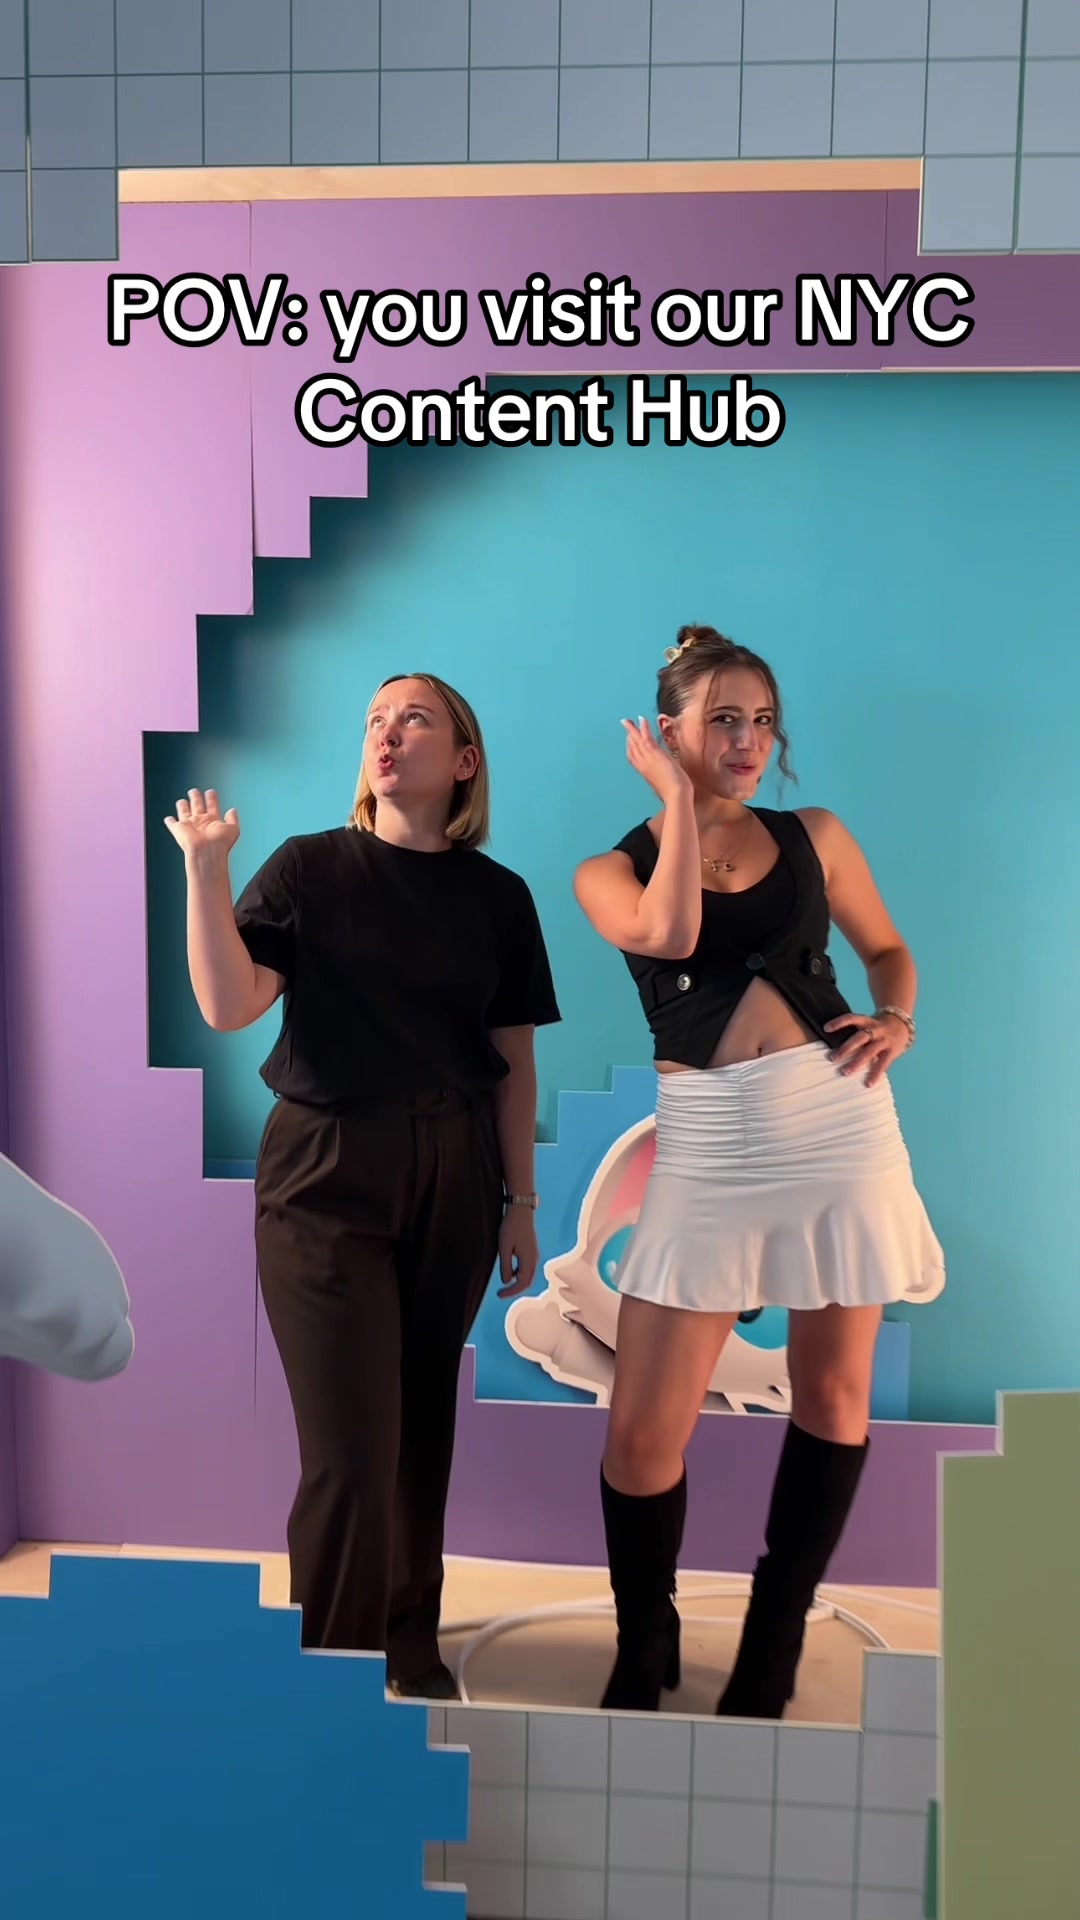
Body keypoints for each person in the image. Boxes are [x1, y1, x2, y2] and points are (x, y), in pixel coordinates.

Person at [165, 673, 560, 1699]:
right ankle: (332, 1680)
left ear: (464, 761)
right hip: (325, 1172)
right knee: (350, 1448)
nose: (388, 732)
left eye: (414, 717)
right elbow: (228, 1004)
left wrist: (519, 1203)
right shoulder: (309, 868)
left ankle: (410, 1644)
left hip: (458, 1170)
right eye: (377, 719)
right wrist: (208, 871)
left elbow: (513, 1061)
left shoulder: (500, 897)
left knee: (421, 1429)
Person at [573, 625, 944, 1719]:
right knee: (642, 1436)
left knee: (832, 1392)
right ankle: (645, 1638)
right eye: (723, 719)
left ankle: (774, 1638)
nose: (748, 740)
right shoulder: (609, 870)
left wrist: (898, 1018)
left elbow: (889, 950)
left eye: (764, 721)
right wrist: (677, 805)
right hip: (710, 1141)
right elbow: (671, 930)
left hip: (839, 1124)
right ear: (667, 730)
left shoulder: (815, 834)